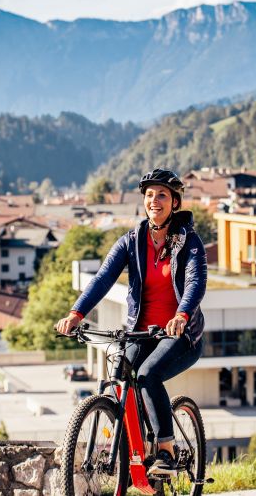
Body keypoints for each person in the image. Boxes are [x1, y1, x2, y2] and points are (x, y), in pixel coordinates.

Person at [55, 168, 207, 475]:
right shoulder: (132, 241)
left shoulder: (189, 242)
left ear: (174, 202)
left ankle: (165, 449)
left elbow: (195, 282)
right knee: (120, 376)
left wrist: (182, 315)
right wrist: (76, 313)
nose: (154, 201)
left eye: (162, 195)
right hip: (141, 333)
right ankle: (133, 451)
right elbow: (103, 279)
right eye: (149, 195)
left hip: (180, 334)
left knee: (149, 374)